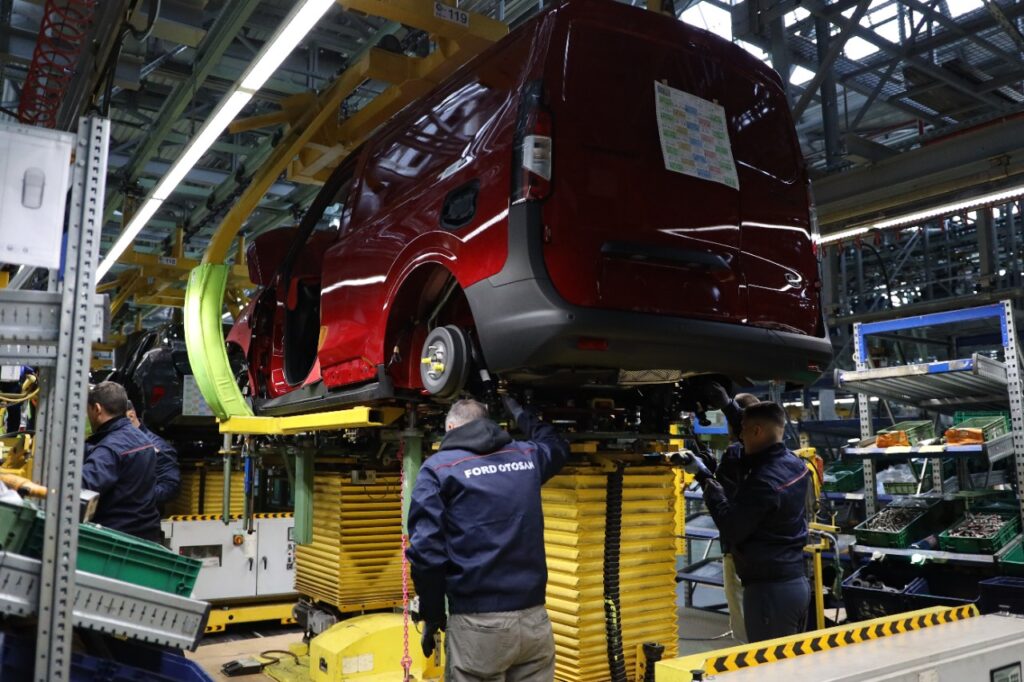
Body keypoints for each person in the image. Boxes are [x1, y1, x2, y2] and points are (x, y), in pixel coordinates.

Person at [407, 396, 570, 681]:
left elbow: (426, 554)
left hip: (478, 626)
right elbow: (557, 445)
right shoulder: (526, 456)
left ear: (450, 426)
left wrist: (432, 615)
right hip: (535, 621)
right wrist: (520, 411)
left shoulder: (439, 469)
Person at [682, 401, 809, 642]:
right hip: (794, 582)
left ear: (757, 431)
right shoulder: (795, 464)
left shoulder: (763, 481)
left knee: (767, 668)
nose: (740, 437)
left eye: (743, 430)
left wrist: (707, 482)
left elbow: (732, 527)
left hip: (768, 593)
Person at [689, 391, 759, 643]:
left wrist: (705, 478)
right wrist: (709, 471)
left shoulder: (737, 454)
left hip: (739, 549)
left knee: (740, 612)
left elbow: (726, 503)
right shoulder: (764, 455)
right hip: (763, 554)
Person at [83, 382, 161, 542]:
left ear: (97, 409)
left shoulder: (109, 448)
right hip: (146, 535)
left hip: (116, 538)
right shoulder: (143, 439)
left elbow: (83, 485)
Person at [126, 400, 181, 507]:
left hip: (142, 518)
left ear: (131, 416)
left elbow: (170, 487)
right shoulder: (116, 443)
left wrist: (134, 496)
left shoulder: (157, 447)